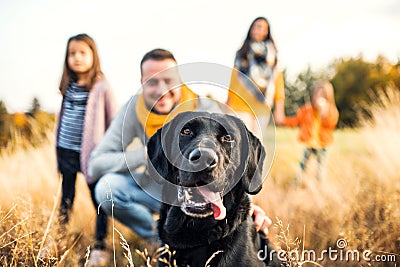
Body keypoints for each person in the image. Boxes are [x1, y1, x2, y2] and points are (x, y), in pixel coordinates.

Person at [88, 48, 273, 265]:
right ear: (141, 82)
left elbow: (238, 156)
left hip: (208, 188)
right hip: (162, 185)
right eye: (152, 82)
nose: (161, 89)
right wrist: (146, 155)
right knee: (106, 188)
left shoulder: (207, 108)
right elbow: (95, 165)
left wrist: (247, 205)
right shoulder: (132, 110)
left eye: (169, 81)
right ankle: (158, 238)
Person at [54, 33, 118, 262]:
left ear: (93, 55)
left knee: (99, 199)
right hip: (66, 151)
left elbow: (114, 121)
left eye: (82, 53)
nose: (77, 58)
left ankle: (100, 245)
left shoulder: (101, 86)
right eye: (72, 54)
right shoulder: (68, 86)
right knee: (66, 198)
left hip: (92, 156)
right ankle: (58, 238)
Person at [226, 17, 285, 138]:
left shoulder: (272, 56)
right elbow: (234, 78)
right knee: (242, 140)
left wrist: (280, 109)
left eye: (263, 27)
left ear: (267, 32)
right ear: (251, 29)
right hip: (240, 103)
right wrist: (228, 102)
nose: (258, 30)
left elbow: (278, 82)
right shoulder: (242, 53)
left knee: (257, 142)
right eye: (256, 26)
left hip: (262, 105)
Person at [283, 81, 339, 182]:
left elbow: (331, 124)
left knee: (320, 167)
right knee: (302, 165)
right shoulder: (307, 110)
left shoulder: (331, 110)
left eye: (323, 95)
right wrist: (283, 120)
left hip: (322, 145)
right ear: (313, 95)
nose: (320, 97)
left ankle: (319, 184)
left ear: (328, 96)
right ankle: (297, 183)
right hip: (309, 143)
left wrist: (324, 112)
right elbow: (296, 121)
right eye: (318, 94)